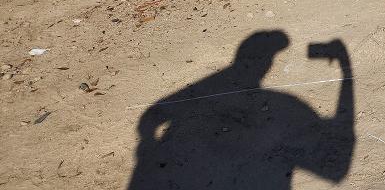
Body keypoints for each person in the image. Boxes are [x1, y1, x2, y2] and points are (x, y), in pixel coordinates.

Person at [128, 31, 354, 189]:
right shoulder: (288, 106)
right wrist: (346, 69)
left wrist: (148, 145)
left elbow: (149, 119)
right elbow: (337, 169)